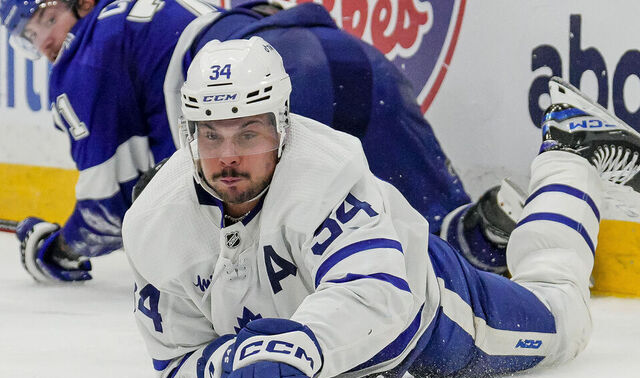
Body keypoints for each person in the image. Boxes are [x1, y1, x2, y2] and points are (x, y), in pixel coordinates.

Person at [122, 38, 640, 378]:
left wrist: (286, 351)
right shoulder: (155, 224)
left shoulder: (326, 170)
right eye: (210, 135)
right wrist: (235, 367)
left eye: (248, 134)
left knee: (563, 316)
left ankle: (571, 154)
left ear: (282, 126)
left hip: (425, 312)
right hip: (335, 355)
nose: (227, 156)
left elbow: (374, 294)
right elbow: (177, 363)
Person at [1, 0, 513, 283]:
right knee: (444, 234)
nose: (43, 42)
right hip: (347, 55)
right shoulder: (150, 12)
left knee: (269, 271)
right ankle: (492, 230)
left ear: (81, 4)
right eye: (28, 36)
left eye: (45, 20)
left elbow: (109, 206)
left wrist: (59, 248)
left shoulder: (85, 52)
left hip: (267, 91)